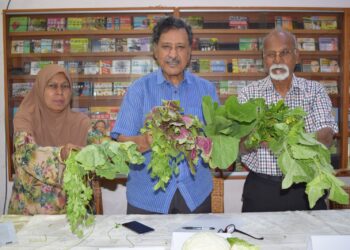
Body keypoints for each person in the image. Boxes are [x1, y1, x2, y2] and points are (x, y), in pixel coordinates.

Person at [111, 16, 219, 214]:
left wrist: (205, 143)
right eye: (166, 46)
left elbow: (219, 140)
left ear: (190, 51)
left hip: (196, 195)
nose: (173, 54)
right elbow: (120, 144)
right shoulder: (138, 90)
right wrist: (148, 140)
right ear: (155, 50)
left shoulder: (207, 90)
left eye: (180, 47)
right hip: (146, 198)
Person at [238, 29, 338, 212]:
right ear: (264, 59)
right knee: (258, 241)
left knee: (311, 239)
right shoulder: (248, 94)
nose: (277, 60)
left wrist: (282, 140)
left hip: (306, 187)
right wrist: (255, 138)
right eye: (270, 54)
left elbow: (325, 136)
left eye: (284, 53)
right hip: (262, 189)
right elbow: (240, 145)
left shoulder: (315, 91)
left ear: (296, 56)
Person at [8, 64, 92, 215]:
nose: (60, 92)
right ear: (40, 89)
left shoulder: (82, 122)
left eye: (65, 86)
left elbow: (98, 151)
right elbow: (26, 154)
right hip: (29, 214)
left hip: (71, 215)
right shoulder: (24, 118)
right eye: (52, 86)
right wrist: (61, 154)